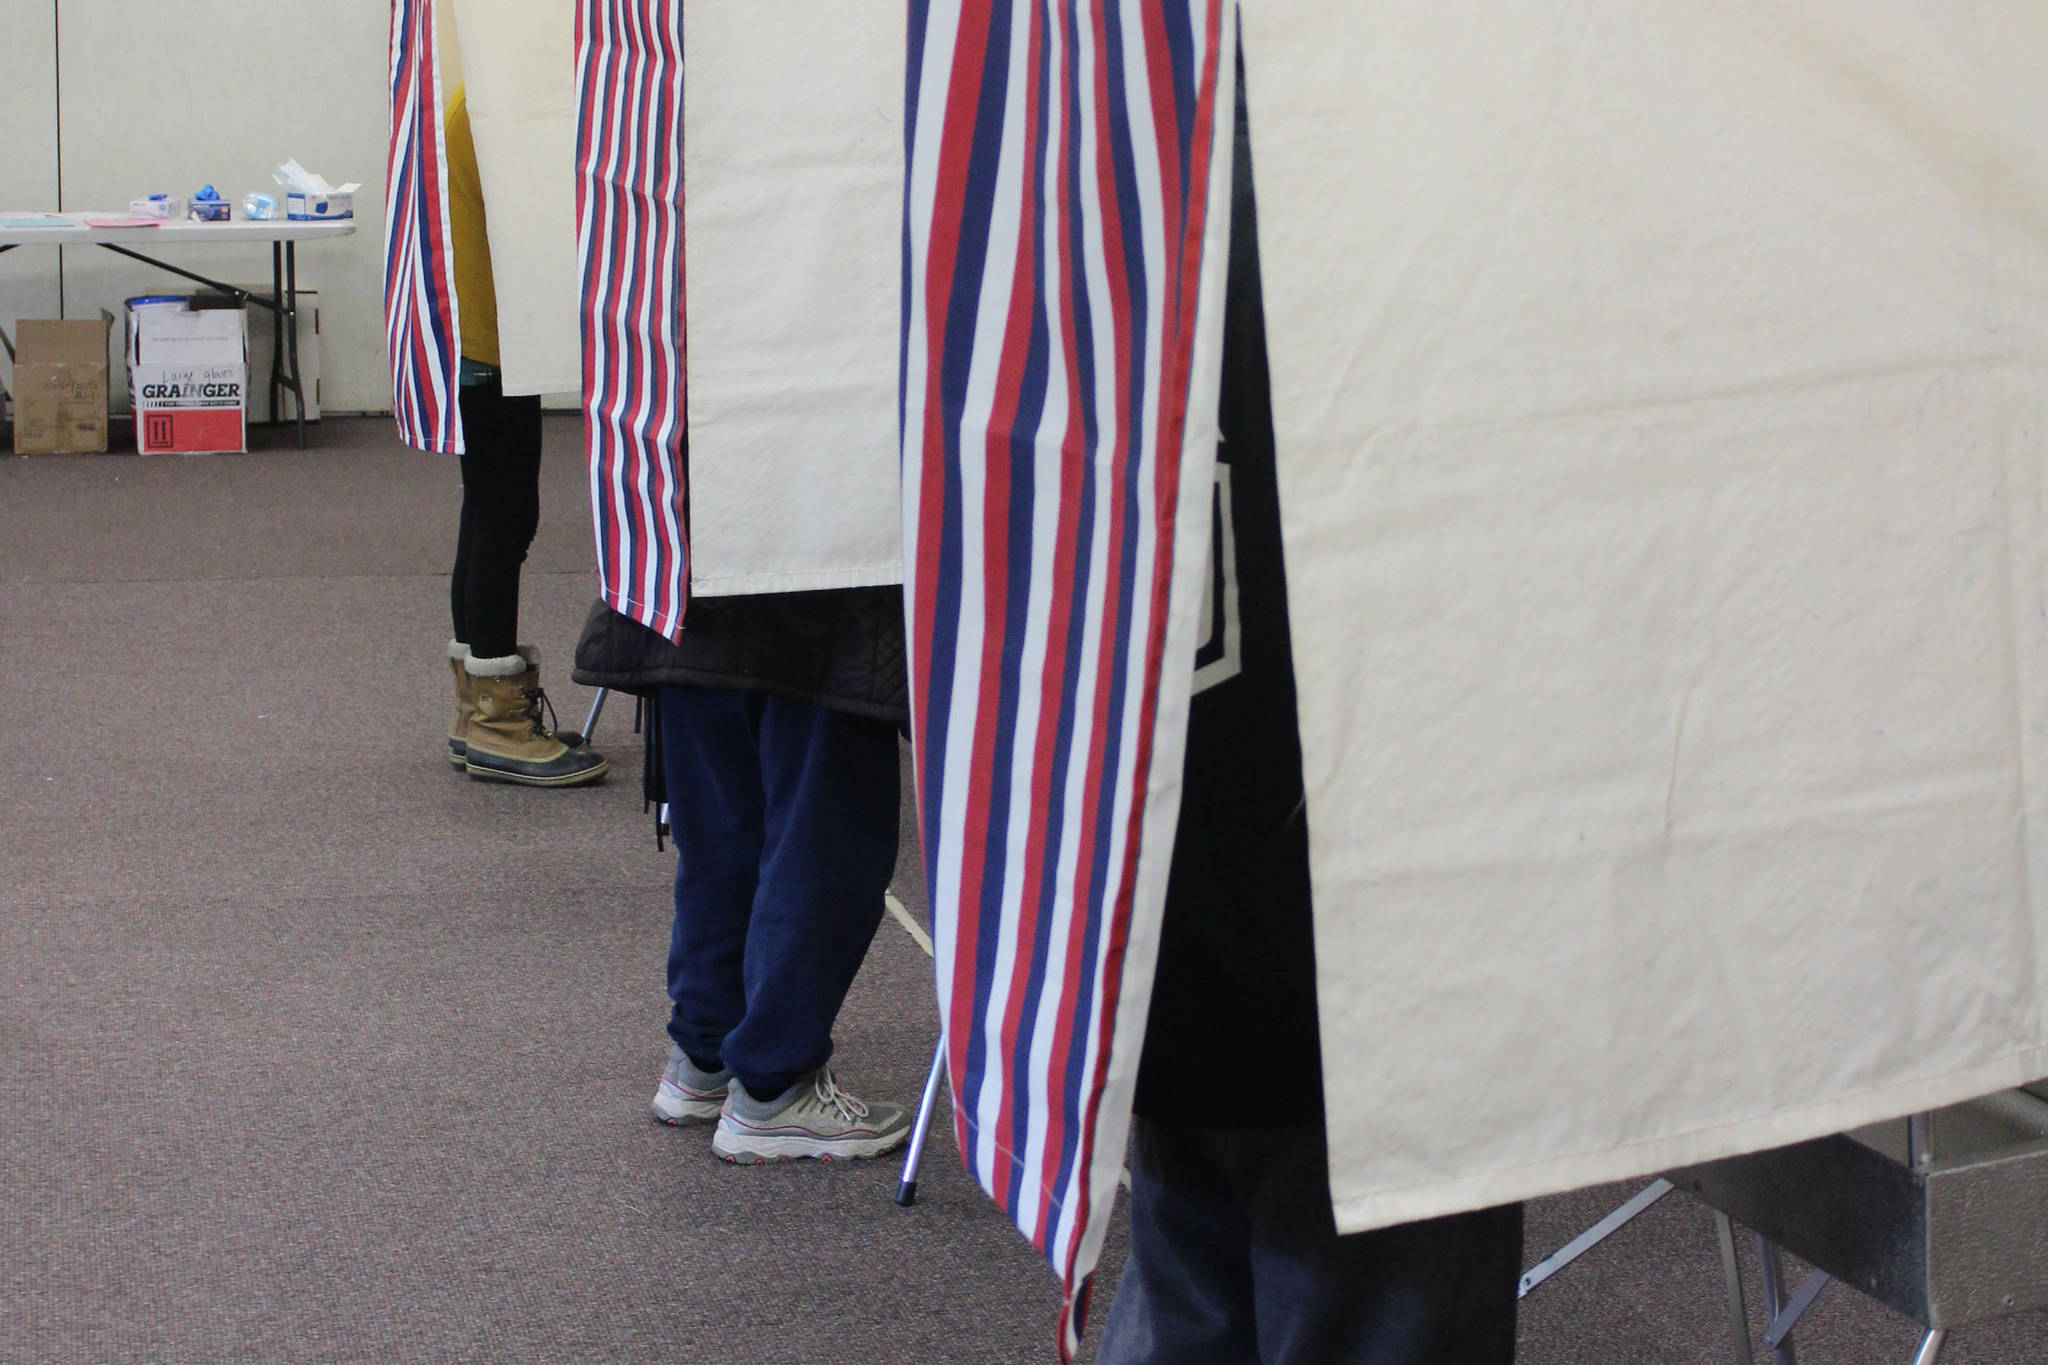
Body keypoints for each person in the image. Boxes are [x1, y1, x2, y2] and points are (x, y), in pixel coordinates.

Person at [1094, 51, 1523, 1364]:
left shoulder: (1113, 149)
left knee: (1191, 1270)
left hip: (1169, 875)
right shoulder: (1435, 186)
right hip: (1372, 929)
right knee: (1360, 1291)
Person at [574, 582, 913, 1163]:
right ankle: (772, 1085)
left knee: (721, 831)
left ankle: (705, 1054)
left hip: (693, 574)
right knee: (822, 835)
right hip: (825, 586)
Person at [442, 85, 606, 788]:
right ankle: (498, 723)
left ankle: (478, 703)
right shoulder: (491, 109)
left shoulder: (468, 100)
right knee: (505, 521)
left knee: (484, 515)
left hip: (485, 338)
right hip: (495, 344)